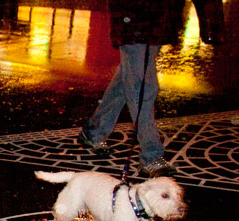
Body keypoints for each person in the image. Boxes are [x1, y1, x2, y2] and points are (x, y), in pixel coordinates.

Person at [77, 0, 185, 177]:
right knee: (142, 87)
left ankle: (95, 130)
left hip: (153, 22)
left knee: (127, 81)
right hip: (136, 23)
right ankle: (151, 156)